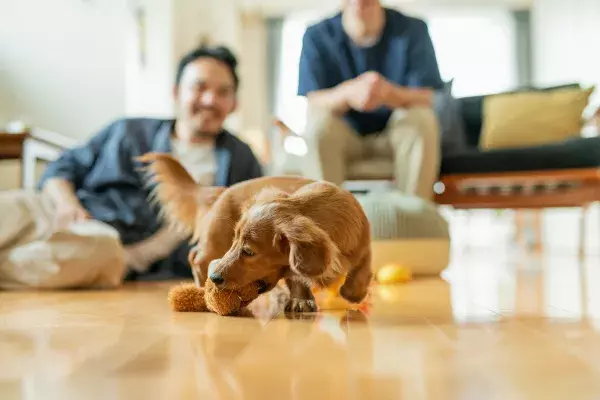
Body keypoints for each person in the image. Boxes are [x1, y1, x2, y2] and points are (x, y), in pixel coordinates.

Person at [0, 45, 263, 289]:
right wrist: (67, 204)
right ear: (176, 92)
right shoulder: (127, 130)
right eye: (199, 87)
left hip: (108, 249)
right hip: (61, 210)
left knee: (100, 252)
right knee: (10, 209)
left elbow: (257, 230)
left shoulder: (241, 161)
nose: (209, 100)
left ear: (234, 103)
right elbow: (61, 168)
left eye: (222, 92)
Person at [297, 0, 444, 200]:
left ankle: (413, 217)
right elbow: (314, 99)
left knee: (422, 118)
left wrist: (386, 93)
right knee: (318, 124)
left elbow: (426, 97)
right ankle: (326, 222)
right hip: (344, 134)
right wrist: (348, 93)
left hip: (395, 134)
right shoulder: (316, 35)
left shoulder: (413, 29)